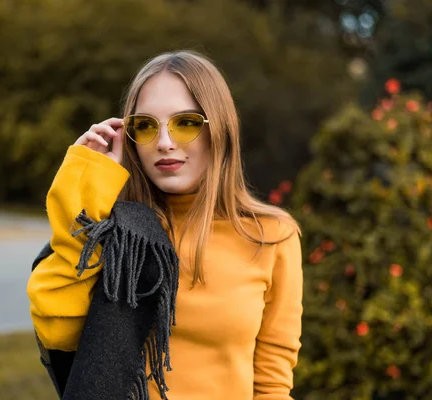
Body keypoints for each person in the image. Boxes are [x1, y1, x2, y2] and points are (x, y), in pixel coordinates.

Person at [26, 49, 303, 399]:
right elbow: (56, 328)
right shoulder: (117, 231)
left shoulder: (271, 236)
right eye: (145, 126)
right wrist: (85, 183)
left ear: (219, 129)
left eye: (185, 122)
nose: (165, 143)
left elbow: (273, 382)